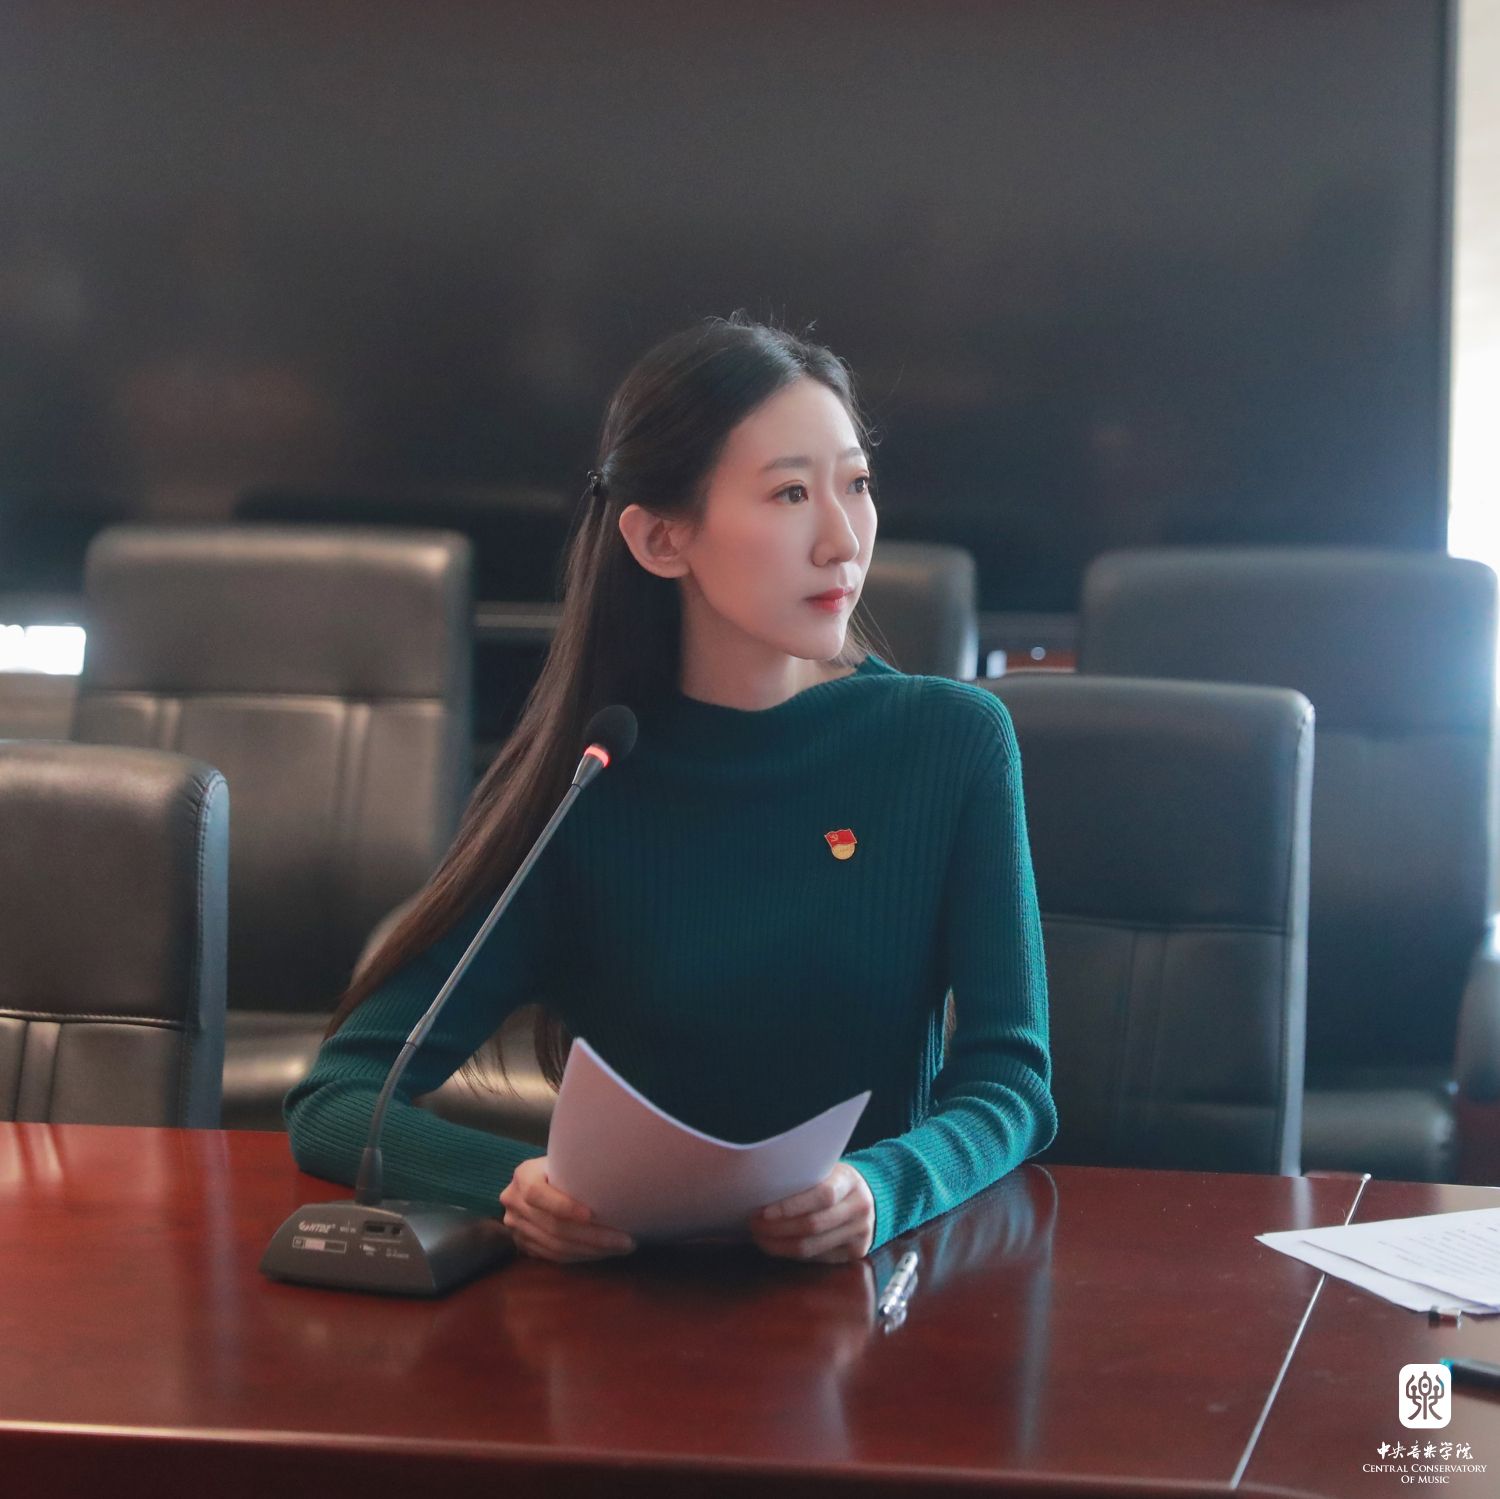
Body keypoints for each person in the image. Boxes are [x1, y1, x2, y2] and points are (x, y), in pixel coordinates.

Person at [285, 312, 1056, 1265]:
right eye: (789, 493)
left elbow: (1012, 1083)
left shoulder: (953, 742)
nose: (842, 540)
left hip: (863, 1293)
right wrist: (517, 1186)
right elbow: (337, 1100)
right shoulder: (589, 777)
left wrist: (886, 1185)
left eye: (855, 484)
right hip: (621, 1307)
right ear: (659, 539)